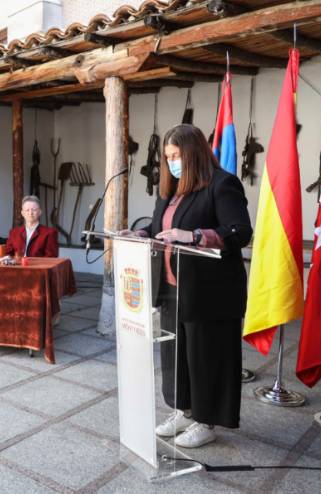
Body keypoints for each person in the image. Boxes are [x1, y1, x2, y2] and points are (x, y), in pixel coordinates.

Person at [124, 124, 252, 448]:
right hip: (171, 288)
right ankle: (184, 410)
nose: (171, 162)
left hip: (209, 292)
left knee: (205, 357)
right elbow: (161, 228)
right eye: (167, 157)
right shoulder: (172, 190)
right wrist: (140, 234)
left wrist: (196, 236)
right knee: (176, 355)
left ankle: (207, 421)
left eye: (176, 156)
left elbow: (240, 231)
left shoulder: (222, 184)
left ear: (193, 153)